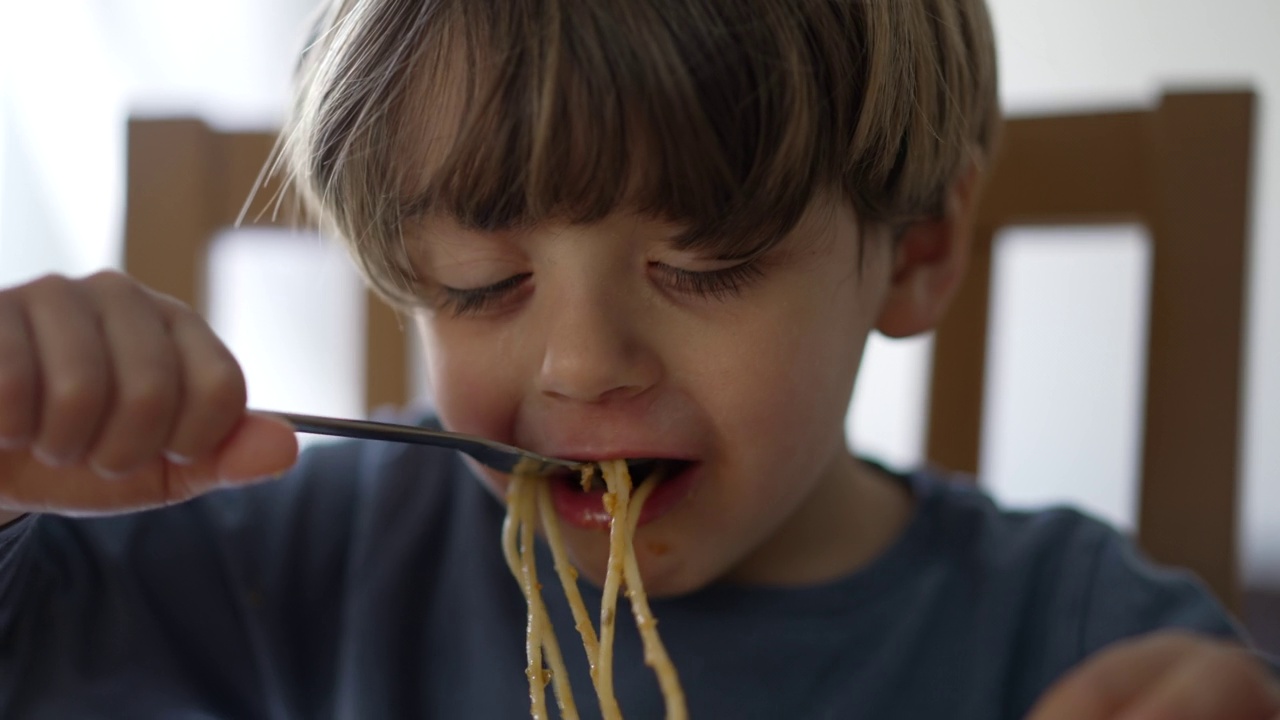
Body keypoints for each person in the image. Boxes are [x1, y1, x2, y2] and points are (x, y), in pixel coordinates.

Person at [0, 0, 1276, 717]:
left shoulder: (1055, 631)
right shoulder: (289, 562)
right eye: (480, 282)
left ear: (917, 250)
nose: (584, 363)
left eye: (704, 264)